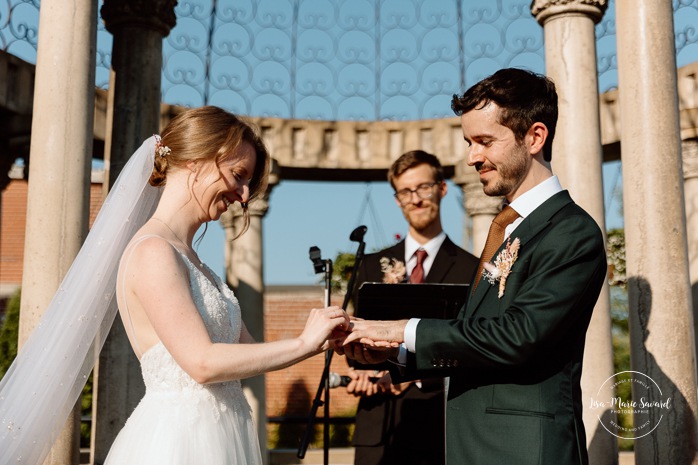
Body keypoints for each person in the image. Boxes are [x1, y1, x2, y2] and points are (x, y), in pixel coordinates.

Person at [0, 106, 349, 465]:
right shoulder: (153, 251)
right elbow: (202, 362)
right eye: (238, 175)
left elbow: (249, 354)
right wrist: (304, 342)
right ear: (196, 160)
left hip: (224, 439)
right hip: (177, 443)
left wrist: (324, 337)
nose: (244, 196)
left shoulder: (200, 267)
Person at [339, 68, 607, 465]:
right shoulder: (508, 227)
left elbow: (518, 335)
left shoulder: (571, 232)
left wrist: (397, 328)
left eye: (484, 141)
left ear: (534, 137)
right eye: (468, 142)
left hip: (524, 450)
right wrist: (394, 354)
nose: (471, 157)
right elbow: (475, 339)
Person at [346, 150, 478, 465]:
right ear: (397, 199)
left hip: (439, 427)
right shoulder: (368, 266)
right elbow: (356, 332)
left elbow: (471, 345)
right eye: (406, 191)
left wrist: (410, 376)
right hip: (377, 428)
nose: (415, 199)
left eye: (423, 188)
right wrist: (361, 365)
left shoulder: (473, 269)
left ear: (442, 188)